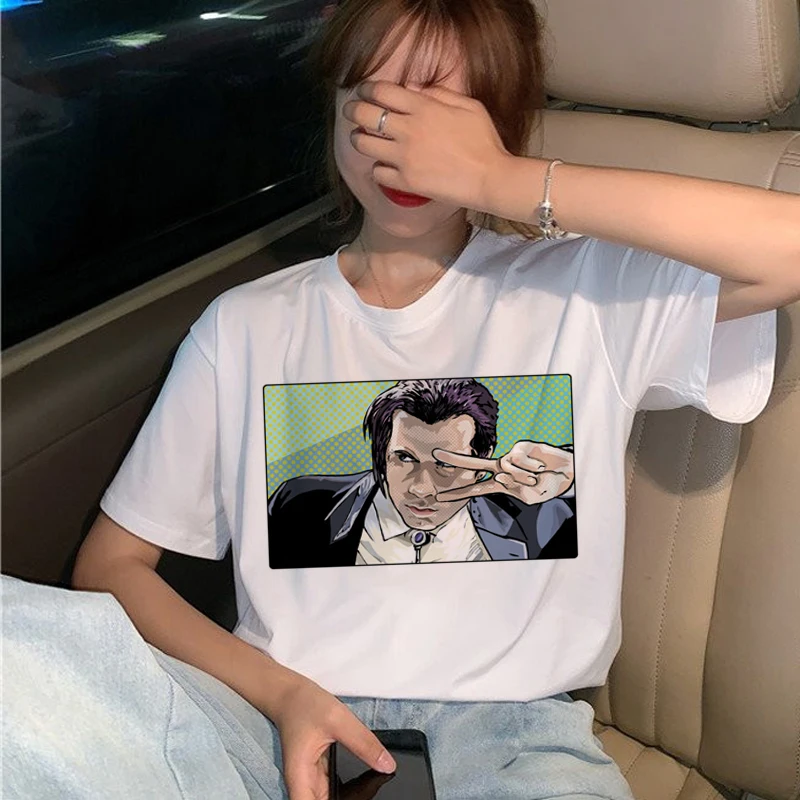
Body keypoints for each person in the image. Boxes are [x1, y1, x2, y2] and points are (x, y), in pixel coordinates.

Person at [3, 0, 798, 798]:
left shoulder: (586, 293)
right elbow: (112, 565)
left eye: (446, 117)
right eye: (380, 108)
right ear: (335, 106)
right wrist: (282, 695)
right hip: (267, 721)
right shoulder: (246, 327)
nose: (407, 150)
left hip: (511, 739)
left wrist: (498, 180)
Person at [267, 377, 576, 567]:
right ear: (381, 453)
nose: (422, 489)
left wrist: (573, 472)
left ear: (483, 459)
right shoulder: (299, 507)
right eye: (405, 458)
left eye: (447, 464)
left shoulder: (539, 516)